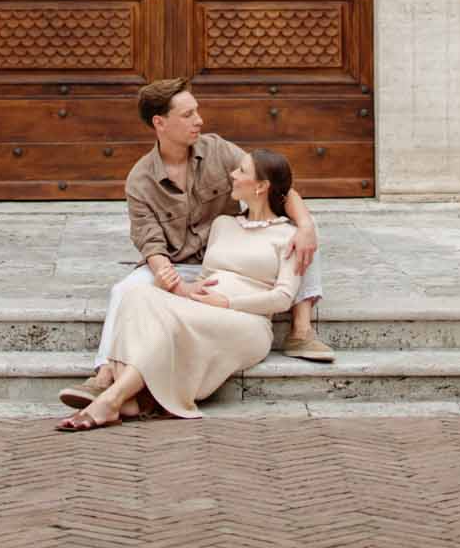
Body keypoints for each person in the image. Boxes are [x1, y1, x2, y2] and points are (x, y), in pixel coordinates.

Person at [60, 77, 333, 413]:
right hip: (176, 264)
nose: (199, 121)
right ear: (160, 123)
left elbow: (274, 183)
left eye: (197, 112)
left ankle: (301, 328)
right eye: (188, 115)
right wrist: (173, 282)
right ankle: (104, 374)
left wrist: (305, 225)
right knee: (125, 291)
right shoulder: (140, 178)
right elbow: (149, 240)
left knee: (305, 230)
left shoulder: (218, 150)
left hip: (229, 260)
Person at [57, 147, 303, 428]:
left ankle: (112, 399)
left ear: (261, 186)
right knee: (135, 294)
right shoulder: (223, 224)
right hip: (200, 308)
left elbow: (283, 298)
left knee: (169, 323)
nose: (232, 174)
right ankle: (123, 399)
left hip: (248, 322)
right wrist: (185, 291)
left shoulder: (289, 236)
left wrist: (227, 303)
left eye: (242, 171)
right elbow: (207, 274)